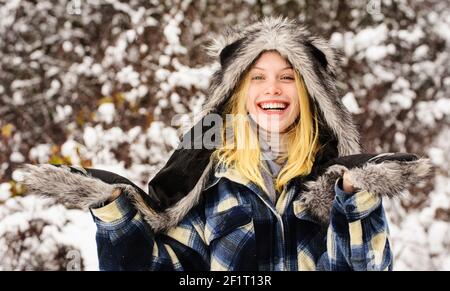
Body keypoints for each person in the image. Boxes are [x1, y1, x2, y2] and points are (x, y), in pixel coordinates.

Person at [21, 16, 431, 271]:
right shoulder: (210, 185)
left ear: (310, 94)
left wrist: (354, 201)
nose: (274, 88)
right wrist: (116, 215)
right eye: (257, 77)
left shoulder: (333, 188)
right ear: (235, 93)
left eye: (288, 76)